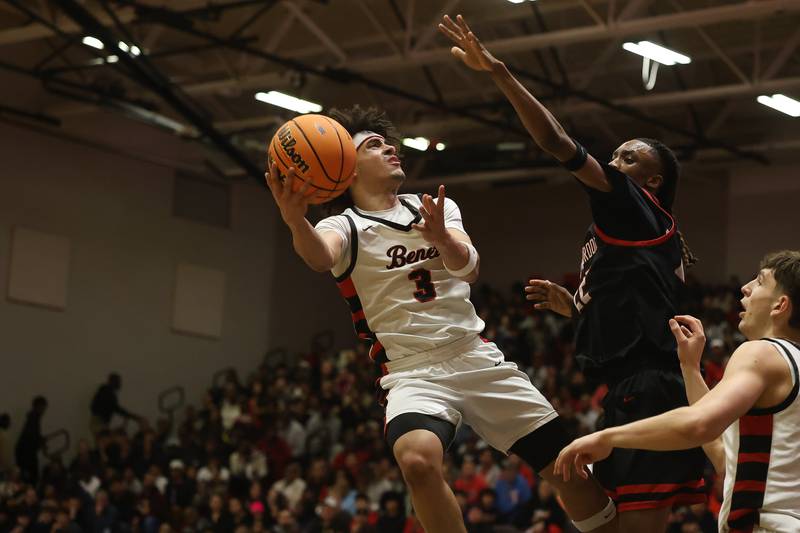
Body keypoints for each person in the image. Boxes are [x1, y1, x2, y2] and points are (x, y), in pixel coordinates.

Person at [266, 102, 616, 533]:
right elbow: (319, 257)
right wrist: (294, 218)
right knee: (415, 461)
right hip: (412, 372)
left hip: (474, 356)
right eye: (375, 145)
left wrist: (441, 238)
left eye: (390, 143)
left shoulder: (434, 208)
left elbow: (468, 268)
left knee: (569, 466)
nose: (391, 148)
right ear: (345, 168)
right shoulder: (345, 225)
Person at [438, 13, 704, 532]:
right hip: (631, 386)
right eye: (615, 154)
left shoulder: (634, 204)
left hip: (649, 387)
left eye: (627, 157)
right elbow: (641, 302)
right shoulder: (635, 232)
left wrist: (499, 73)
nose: (614, 160)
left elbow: (557, 141)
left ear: (650, 180)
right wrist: (577, 306)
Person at [554, 250, 800, 532]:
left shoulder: (762, 353)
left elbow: (699, 424)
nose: (746, 287)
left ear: (780, 305)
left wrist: (609, 437)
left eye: (759, 281)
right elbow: (725, 457)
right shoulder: (791, 365)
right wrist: (690, 368)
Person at [14, 396, 47, 484]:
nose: (43, 410)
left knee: (30, 479)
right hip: (26, 456)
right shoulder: (33, 419)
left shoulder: (33, 418)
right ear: (37, 406)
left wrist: (40, 440)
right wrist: (40, 442)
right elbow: (31, 438)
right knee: (30, 480)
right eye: (42, 407)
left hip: (25, 455)